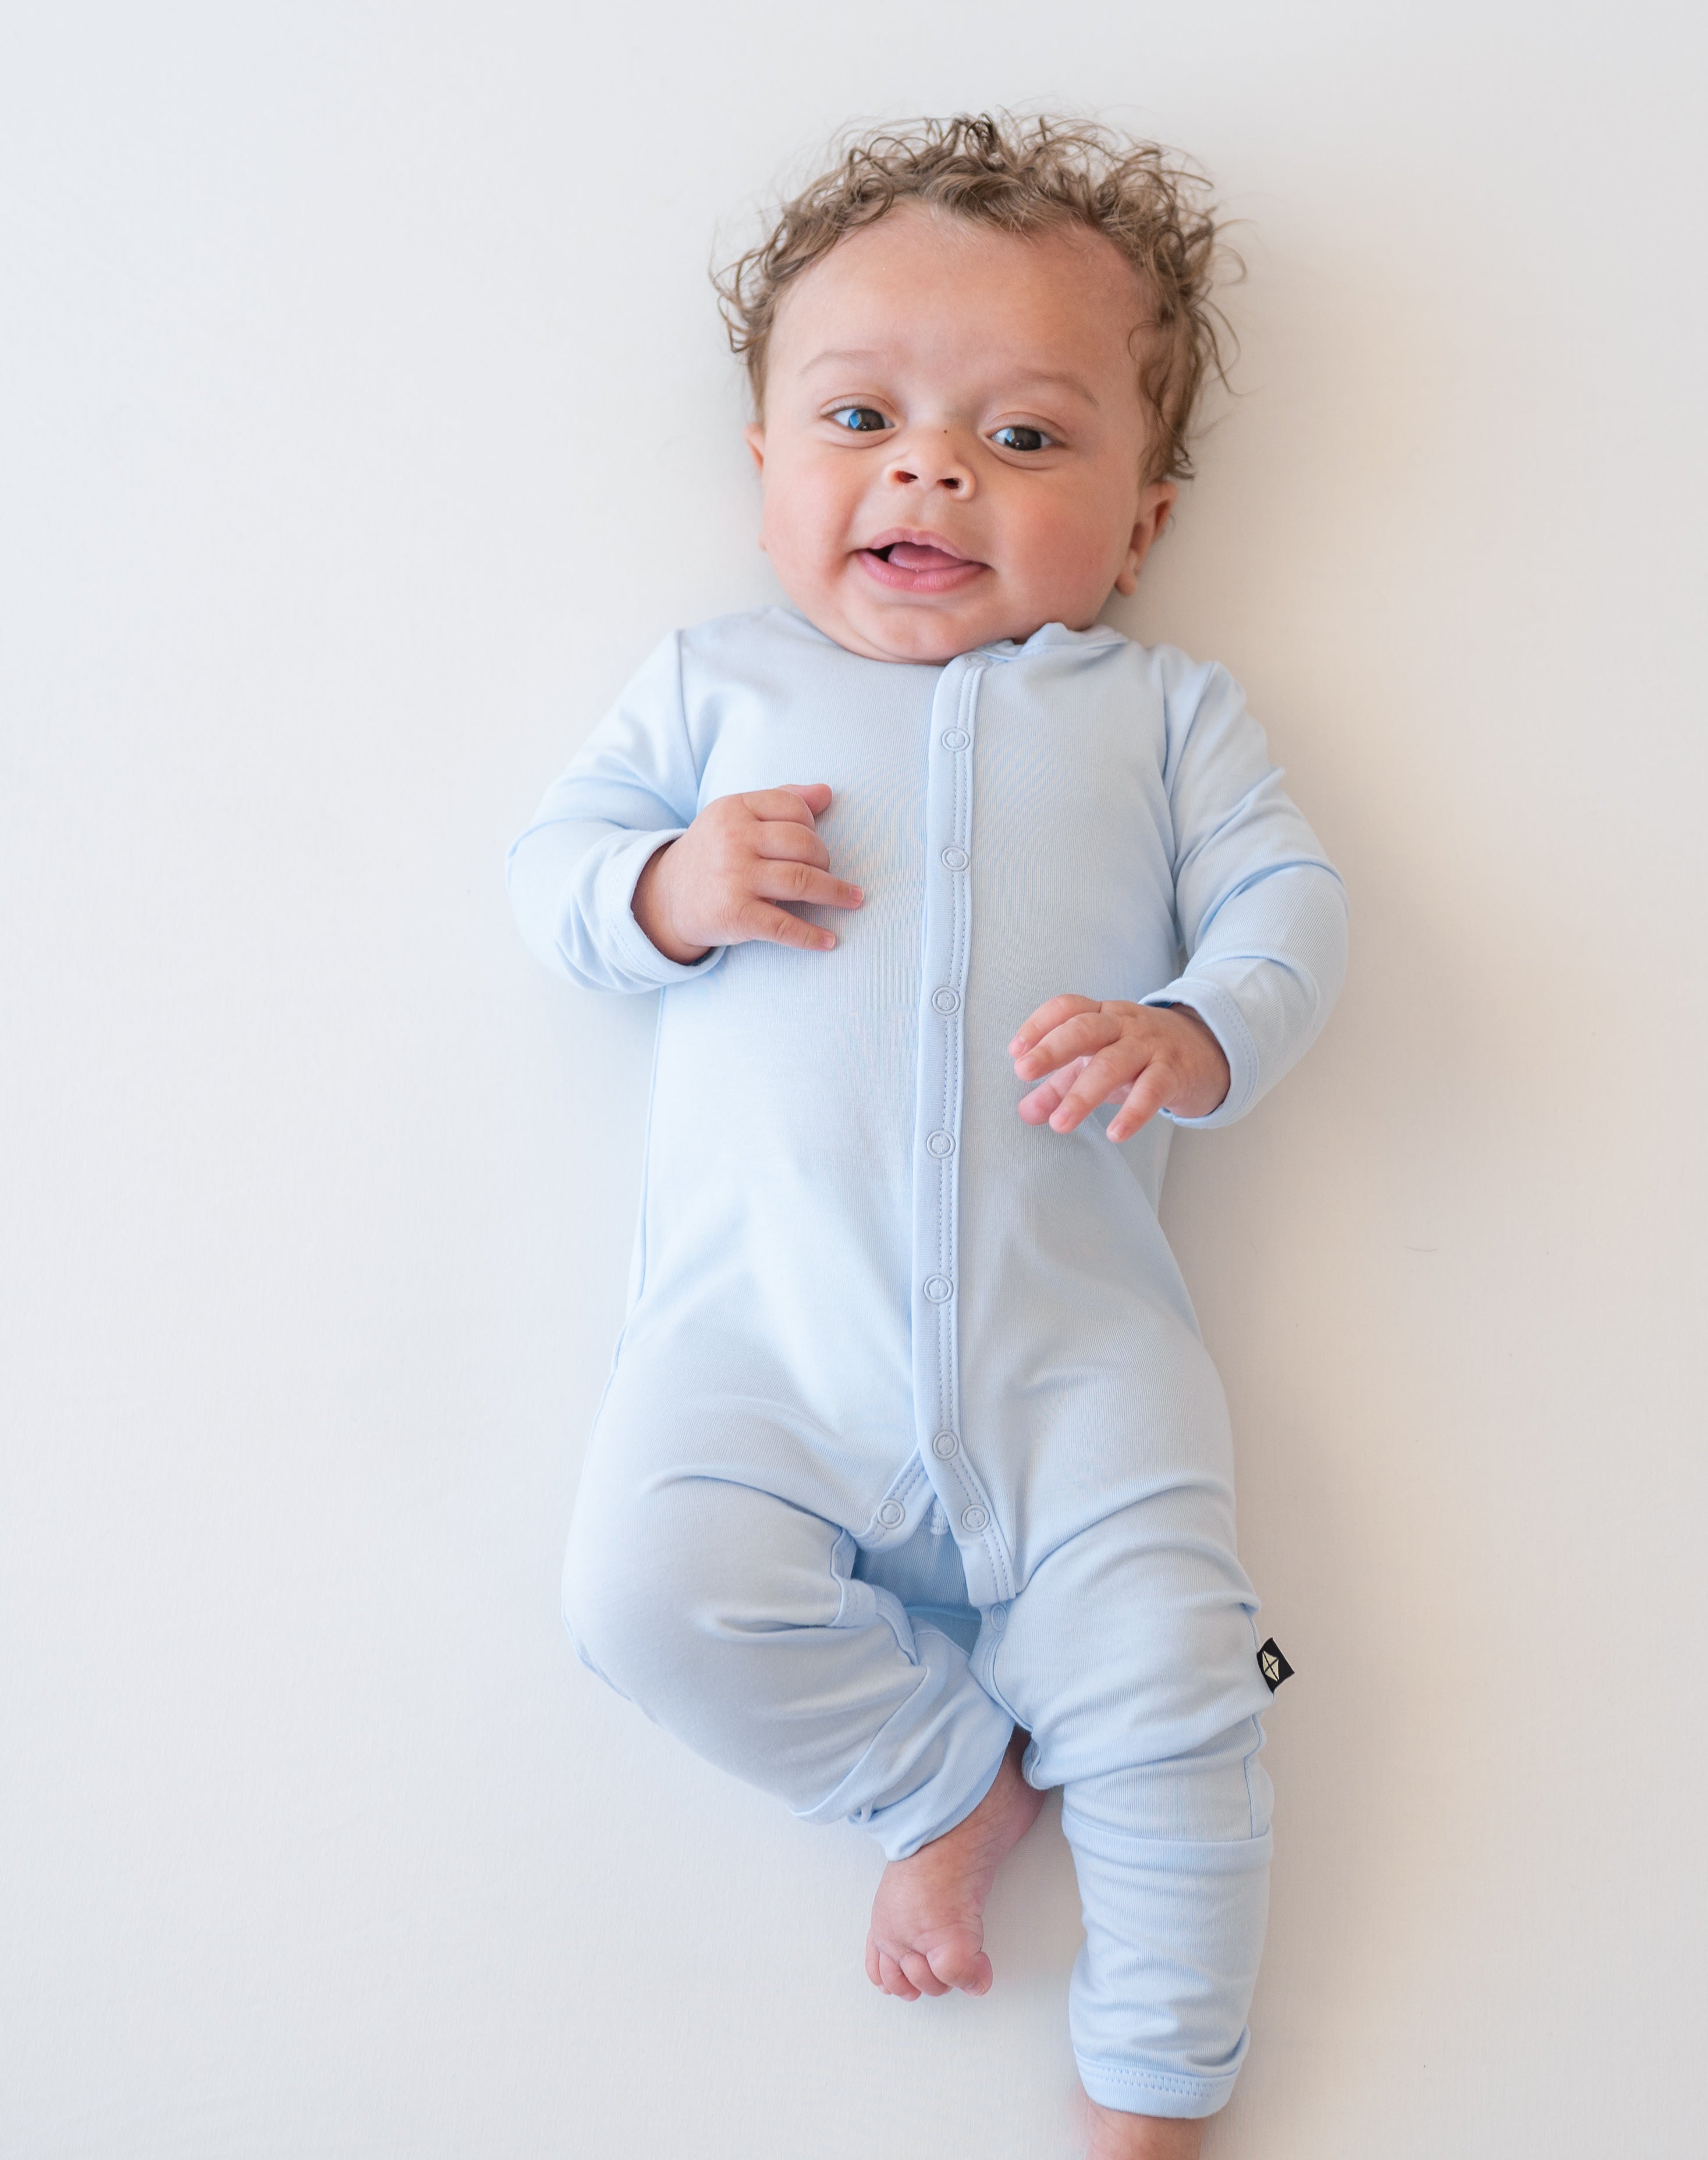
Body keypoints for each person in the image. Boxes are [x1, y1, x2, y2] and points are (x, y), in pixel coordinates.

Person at [506, 114, 1348, 2159]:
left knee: (1183, 1700)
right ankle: (940, 1779)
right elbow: (548, 883)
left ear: (1141, 523)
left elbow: (1291, 909)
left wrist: (1194, 1029)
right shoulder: (714, 692)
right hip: (760, 1349)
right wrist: (663, 895)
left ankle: (1153, 2094)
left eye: (1026, 439)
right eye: (862, 414)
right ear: (768, 469)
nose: (931, 470)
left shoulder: (1164, 717)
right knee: (640, 1591)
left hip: (1079, 1367)